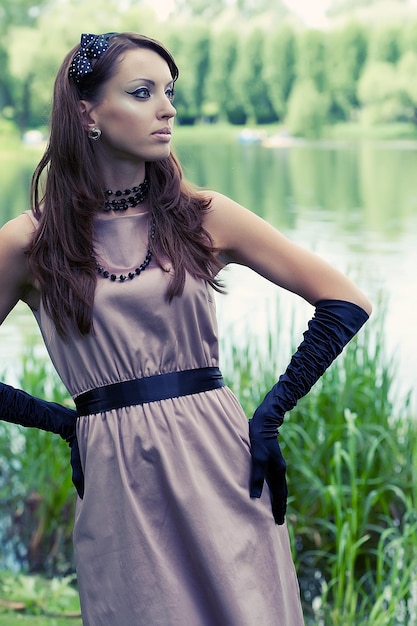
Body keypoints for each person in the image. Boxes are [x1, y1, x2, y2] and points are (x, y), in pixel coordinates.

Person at [0, 32, 372, 625]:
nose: (167, 108)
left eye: (168, 92)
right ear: (86, 112)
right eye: (143, 92)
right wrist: (62, 423)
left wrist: (271, 415)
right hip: (117, 478)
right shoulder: (29, 241)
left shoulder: (203, 216)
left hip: (221, 460)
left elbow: (345, 301)